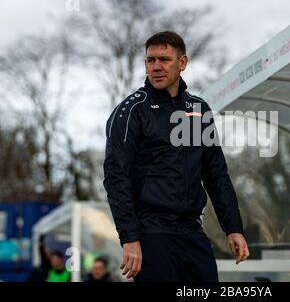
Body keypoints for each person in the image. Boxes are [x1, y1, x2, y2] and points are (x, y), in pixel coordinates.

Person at [103, 31, 250, 282]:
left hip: (192, 231)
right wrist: (130, 238)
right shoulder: (131, 111)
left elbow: (215, 174)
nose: (156, 67)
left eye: (164, 59)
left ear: (182, 63)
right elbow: (116, 177)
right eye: (150, 60)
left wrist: (233, 227)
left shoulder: (198, 109)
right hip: (152, 233)